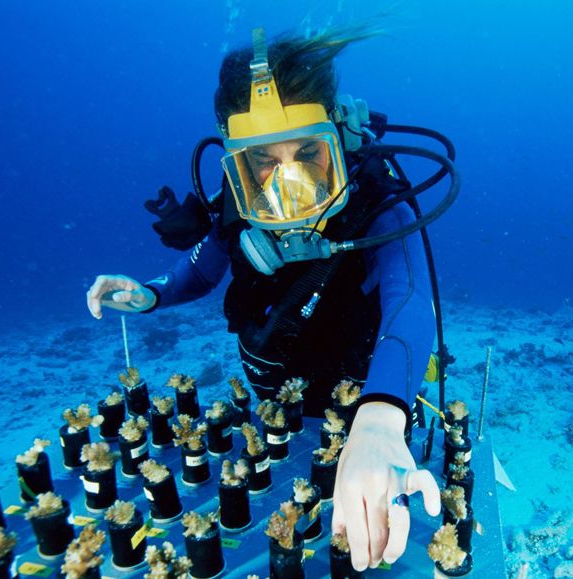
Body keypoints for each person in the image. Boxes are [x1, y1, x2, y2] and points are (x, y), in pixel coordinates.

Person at [86, 26, 450, 571]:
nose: (288, 187)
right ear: (237, 163)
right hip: (273, 408)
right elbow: (198, 273)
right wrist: (150, 296)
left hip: (370, 412)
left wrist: (378, 420)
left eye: (308, 153)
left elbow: (411, 300)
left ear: (340, 136)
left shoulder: (379, 204)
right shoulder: (233, 204)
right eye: (262, 163)